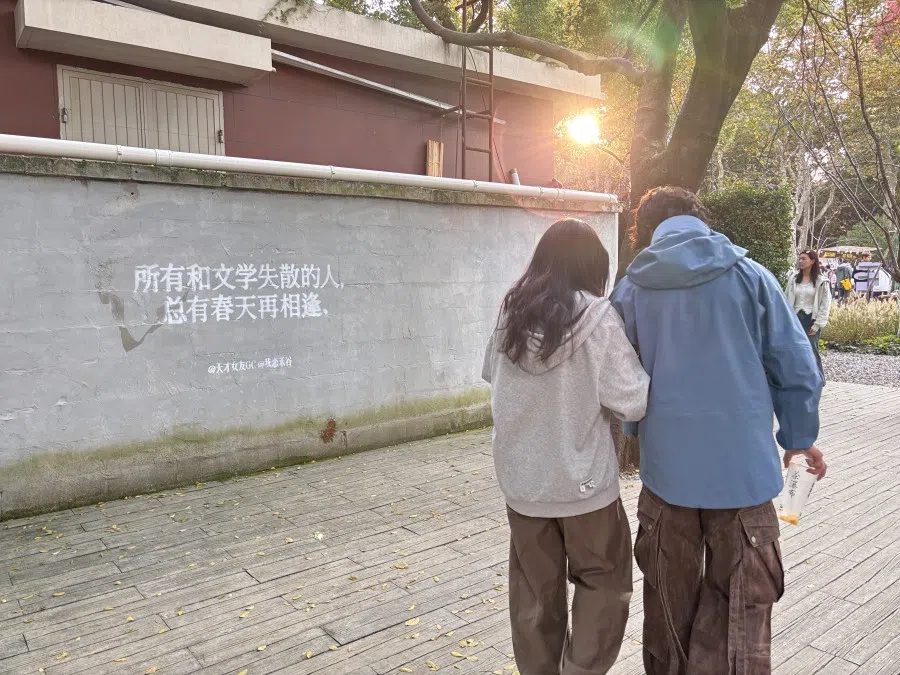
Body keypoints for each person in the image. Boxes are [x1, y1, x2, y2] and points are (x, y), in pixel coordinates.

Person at [610, 186, 826, 675]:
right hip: (743, 476)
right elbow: (796, 367)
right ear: (701, 220)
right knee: (743, 615)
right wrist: (798, 438)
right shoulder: (753, 277)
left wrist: (630, 430)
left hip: (666, 475)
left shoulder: (631, 287)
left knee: (670, 611)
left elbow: (617, 377)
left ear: (647, 232)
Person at [482, 218, 650, 675]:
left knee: (535, 598)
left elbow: (489, 377)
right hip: (586, 489)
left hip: (523, 488)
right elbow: (634, 399)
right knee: (603, 585)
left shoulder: (510, 314)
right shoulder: (599, 318)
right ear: (592, 267)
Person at [786, 250, 832, 379]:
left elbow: (825, 304)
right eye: (799, 259)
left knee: (812, 349)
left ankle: (818, 378)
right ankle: (796, 378)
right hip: (794, 318)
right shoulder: (794, 279)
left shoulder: (821, 281)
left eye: (804, 259)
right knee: (794, 349)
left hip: (811, 318)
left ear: (812, 261)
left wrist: (818, 324)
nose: (800, 261)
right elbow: (786, 298)